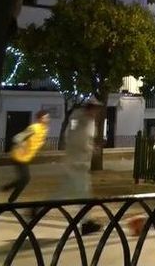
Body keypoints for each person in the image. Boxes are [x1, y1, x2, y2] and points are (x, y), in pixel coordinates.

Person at [57, 98, 102, 235]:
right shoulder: (83, 121)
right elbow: (80, 141)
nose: (97, 112)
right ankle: (86, 223)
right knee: (82, 193)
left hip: (77, 163)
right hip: (78, 164)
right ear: (90, 108)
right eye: (95, 109)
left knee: (71, 193)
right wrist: (91, 148)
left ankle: (86, 222)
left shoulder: (82, 119)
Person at [0, 110, 49, 203]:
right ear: (39, 119)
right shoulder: (34, 128)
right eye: (45, 117)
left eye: (47, 117)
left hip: (26, 157)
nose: (47, 119)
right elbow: (17, 137)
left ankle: (6, 189)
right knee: (25, 179)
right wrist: (21, 144)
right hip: (18, 156)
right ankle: (11, 199)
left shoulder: (44, 129)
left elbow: (38, 141)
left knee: (24, 179)